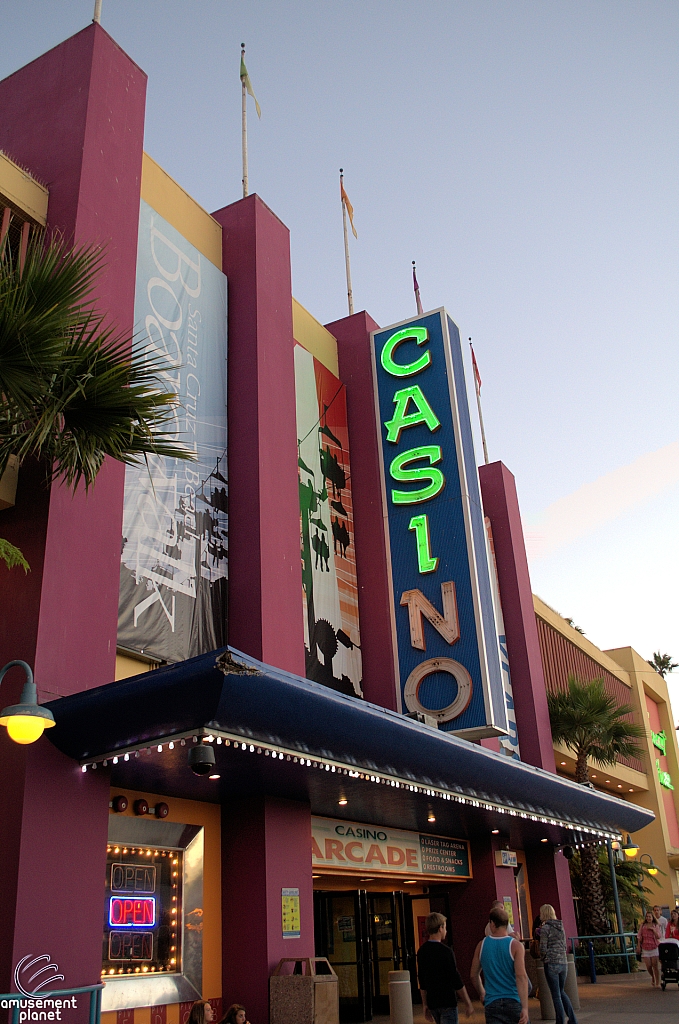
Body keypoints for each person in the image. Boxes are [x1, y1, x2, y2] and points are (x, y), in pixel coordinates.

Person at [471, 907, 529, 1024]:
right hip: (513, 1000)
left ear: (492, 924)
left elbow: (473, 975)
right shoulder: (516, 946)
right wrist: (525, 1007)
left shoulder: (481, 945)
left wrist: (482, 992)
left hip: (492, 1002)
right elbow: (521, 977)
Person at [417, 911, 474, 1023]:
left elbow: (421, 979)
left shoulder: (422, 951)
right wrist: (467, 1002)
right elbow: (455, 978)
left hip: (433, 1001)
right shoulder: (446, 952)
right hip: (447, 1001)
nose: (446, 931)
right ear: (440, 928)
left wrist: (425, 1004)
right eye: (445, 927)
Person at [538, 904, 578, 1024]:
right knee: (561, 991)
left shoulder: (545, 929)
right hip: (563, 963)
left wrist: (543, 957)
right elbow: (564, 945)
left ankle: (560, 1021)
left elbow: (543, 947)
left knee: (556, 995)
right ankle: (572, 1019)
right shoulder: (561, 927)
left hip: (551, 963)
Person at [637, 909, 662, 986]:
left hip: (654, 947)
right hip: (645, 947)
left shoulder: (655, 925)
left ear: (652, 917)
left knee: (655, 965)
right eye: (647, 917)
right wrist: (638, 946)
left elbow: (658, 936)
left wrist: (653, 930)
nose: (648, 918)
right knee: (648, 966)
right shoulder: (643, 926)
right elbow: (639, 936)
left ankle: (657, 981)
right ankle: (652, 976)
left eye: (650, 917)